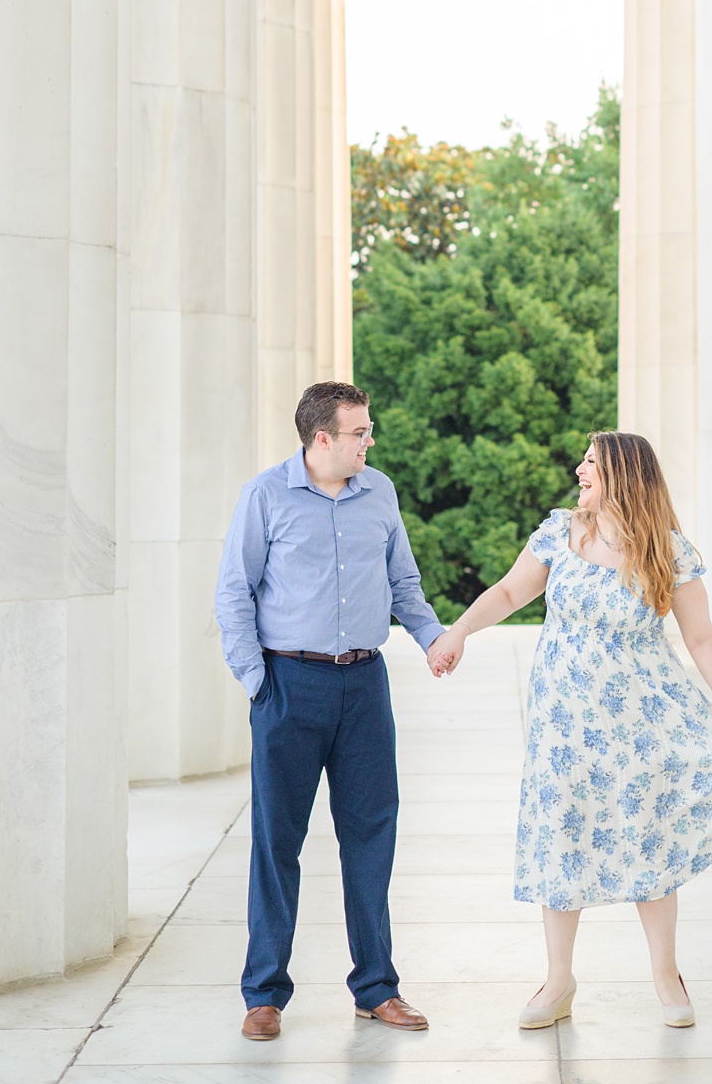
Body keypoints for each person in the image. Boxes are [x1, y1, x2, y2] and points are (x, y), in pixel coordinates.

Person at [425, 430, 712, 1029]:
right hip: (563, 725)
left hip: (641, 724)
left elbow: (700, 638)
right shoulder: (560, 533)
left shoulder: (667, 550)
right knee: (561, 840)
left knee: (649, 839)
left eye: (590, 464)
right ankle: (558, 981)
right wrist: (459, 631)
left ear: (621, 473)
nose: (577, 471)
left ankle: (666, 977)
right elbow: (512, 591)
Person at [215, 379, 449, 1041]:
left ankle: (377, 989)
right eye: (359, 432)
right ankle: (264, 995)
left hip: (365, 689)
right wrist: (259, 683)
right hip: (288, 687)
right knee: (277, 844)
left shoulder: (381, 493)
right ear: (323, 438)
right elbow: (233, 594)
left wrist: (432, 639)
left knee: (372, 839)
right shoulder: (265, 497)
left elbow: (404, 580)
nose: (369, 441)